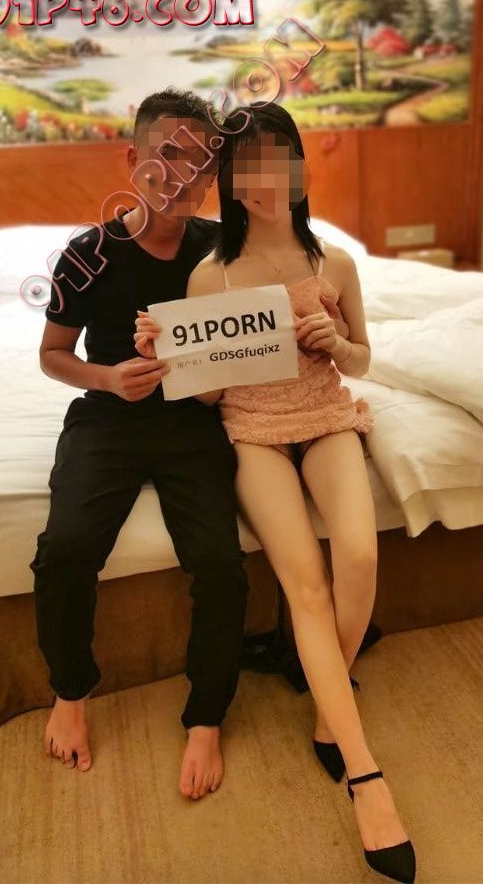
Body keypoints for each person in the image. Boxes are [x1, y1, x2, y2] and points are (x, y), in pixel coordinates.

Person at [135, 102, 416, 882]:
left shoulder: (337, 264)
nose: (263, 179)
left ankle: (329, 715)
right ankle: (367, 778)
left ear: (298, 166)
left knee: (359, 555)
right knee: (306, 585)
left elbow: (362, 361)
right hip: (254, 428)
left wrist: (339, 342)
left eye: (278, 159)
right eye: (246, 164)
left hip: (324, 414)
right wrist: (169, 354)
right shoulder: (211, 274)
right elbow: (202, 395)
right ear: (229, 178)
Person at [30, 88, 249, 800]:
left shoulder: (222, 247)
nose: (185, 175)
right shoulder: (88, 254)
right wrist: (107, 377)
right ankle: (71, 691)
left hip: (193, 419)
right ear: (134, 159)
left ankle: (207, 715)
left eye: (203, 163)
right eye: (169, 155)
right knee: (65, 549)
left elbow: (244, 337)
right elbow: (52, 355)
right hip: (109, 414)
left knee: (221, 564)